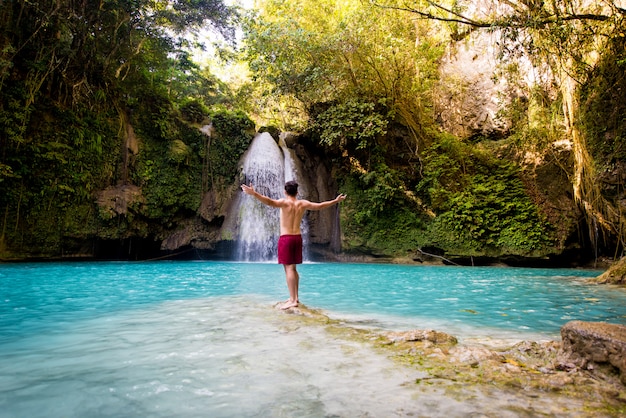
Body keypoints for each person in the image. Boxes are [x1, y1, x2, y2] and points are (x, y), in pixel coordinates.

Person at [241, 180, 346, 309]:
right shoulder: (302, 204)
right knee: (294, 269)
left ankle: (292, 300)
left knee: (288, 269)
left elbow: (268, 201)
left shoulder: (284, 203)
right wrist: (335, 201)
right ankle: (295, 297)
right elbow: (319, 206)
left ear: (285, 191)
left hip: (286, 238)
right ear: (297, 192)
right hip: (297, 238)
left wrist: (254, 193)